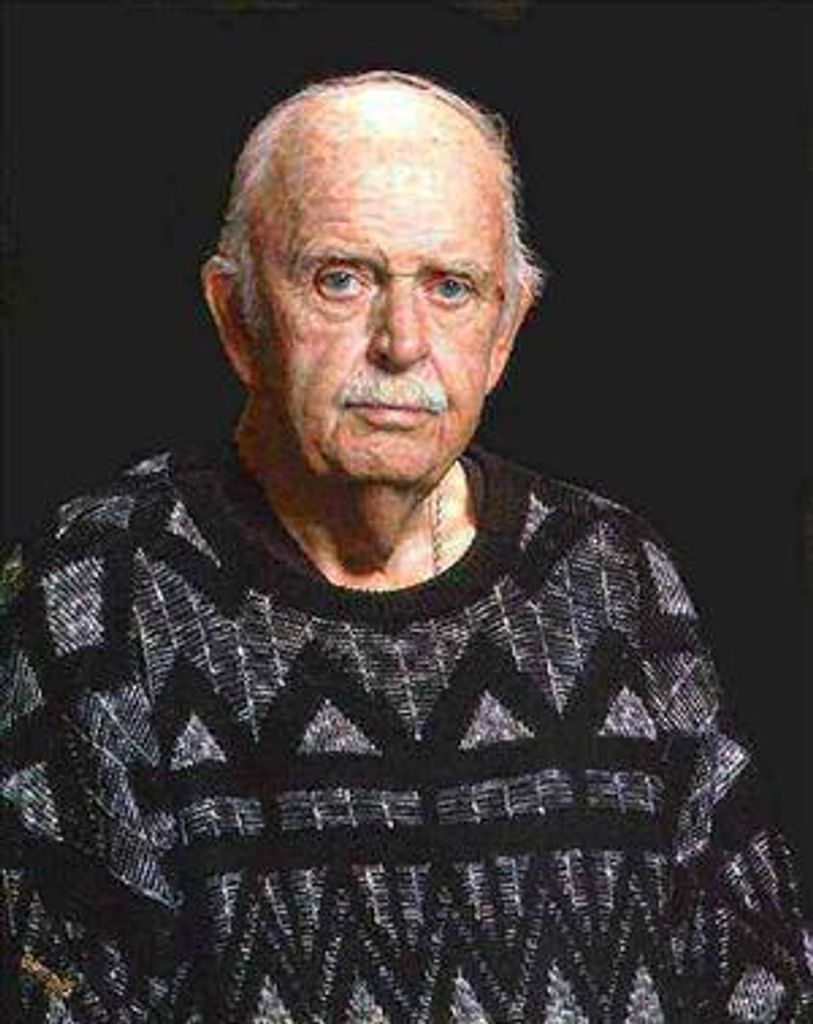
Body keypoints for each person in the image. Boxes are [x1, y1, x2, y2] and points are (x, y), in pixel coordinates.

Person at [1, 70, 810, 1023]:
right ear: (236, 317)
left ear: (503, 334)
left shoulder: (613, 573)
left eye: (451, 288)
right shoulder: (95, 593)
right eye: (341, 279)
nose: (401, 342)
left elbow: (760, 984)